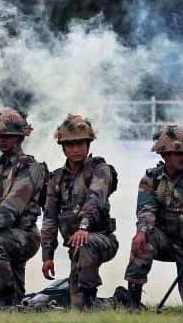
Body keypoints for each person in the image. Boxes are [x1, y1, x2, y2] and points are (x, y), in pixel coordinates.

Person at [124, 125, 183, 311]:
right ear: (164, 155)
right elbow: (146, 210)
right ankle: (133, 303)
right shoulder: (152, 179)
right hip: (164, 242)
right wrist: (141, 232)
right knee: (143, 240)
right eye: (178, 153)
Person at [41, 114, 118, 310]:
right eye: (70, 145)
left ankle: (91, 303)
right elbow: (49, 218)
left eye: (81, 144)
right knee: (77, 306)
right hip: (76, 247)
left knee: (85, 243)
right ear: (63, 147)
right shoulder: (56, 179)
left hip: (100, 239)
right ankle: (117, 302)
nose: (76, 149)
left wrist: (84, 226)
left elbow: (95, 198)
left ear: (88, 144)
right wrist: (47, 256)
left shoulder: (101, 169)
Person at [0, 108, 47, 306]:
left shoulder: (31, 168)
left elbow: (12, 204)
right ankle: (16, 304)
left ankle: (3, 301)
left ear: (20, 138)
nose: (2, 140)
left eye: (8, 136)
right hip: (6, 233)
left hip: (25, 234)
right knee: (16, 285)